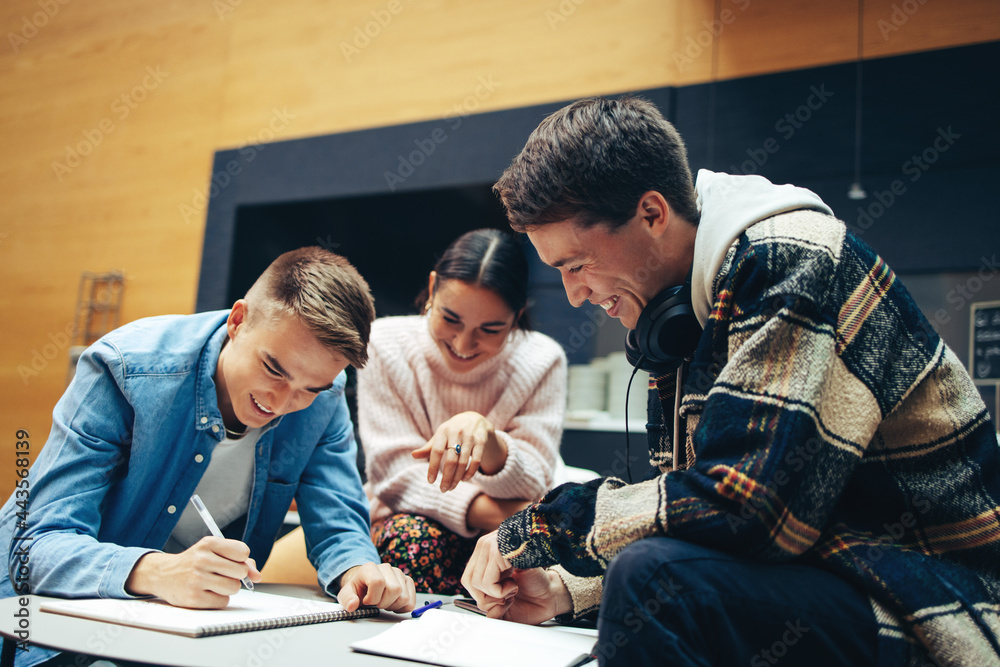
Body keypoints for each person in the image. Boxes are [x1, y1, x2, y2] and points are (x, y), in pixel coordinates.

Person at [460, 97, 1000, 666]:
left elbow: (749, 511)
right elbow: (694, 522)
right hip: (844, 578)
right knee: (650, 576)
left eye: (576, 264)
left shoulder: (790, 261)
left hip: (938, 605)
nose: (574, 294)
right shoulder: (682, 313)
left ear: (651, 213)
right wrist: (571, 589)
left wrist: (545, 525)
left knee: (653, 580)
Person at [0, 247, 416, 667]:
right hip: (51, 629)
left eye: (311, 387)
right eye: (274, 368)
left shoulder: (323, 399)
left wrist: (359, 571)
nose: (283, 401)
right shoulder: (128, 369)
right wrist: (159, 573)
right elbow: (33, 547)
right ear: (237, 321)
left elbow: (338, 522)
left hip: (189, 633)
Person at [265, 229, 568, 595]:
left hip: (505, 534)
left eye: (490, 329)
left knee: (539, 567)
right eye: (451, 319)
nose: (463, 344)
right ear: (432, 287)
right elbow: (395, 477)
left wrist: (486, 438)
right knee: (414, 542)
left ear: (517, 316)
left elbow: (534, 480)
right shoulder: (386, 345)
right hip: (411, 523)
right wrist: (502, 512)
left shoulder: (542, 359)